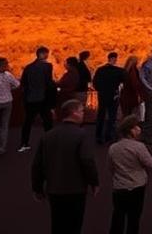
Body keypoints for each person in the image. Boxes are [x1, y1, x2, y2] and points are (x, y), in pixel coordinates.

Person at [31, 99, 99, 234]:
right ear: (74, 113)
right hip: (76, 188)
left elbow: (37, 164)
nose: (83, 114)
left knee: (57, 224)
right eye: (81, 111)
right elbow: (87, 160)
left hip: (54, 188)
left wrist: (37, 187)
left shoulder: (48, 135)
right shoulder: (81, 134)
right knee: (74, 225)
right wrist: (94, 182)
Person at [107, 115, 152, 234]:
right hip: (137, 185)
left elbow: (110, 166)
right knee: (134, 217)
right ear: (131, 130)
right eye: (137, 126)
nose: (139, 129)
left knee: (118, 215)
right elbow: (150, 163)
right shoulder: (139, 147)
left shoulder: (113, 147)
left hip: (119, 186)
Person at [20, 46, 57, 152]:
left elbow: (23, 83)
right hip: (43, 99)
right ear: (43, 54)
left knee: (27, 122)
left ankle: (24, 143)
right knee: (47, 123)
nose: (47, 56)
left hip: (30, 99)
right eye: (46, 54)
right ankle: (49, 144)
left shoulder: (28, 67)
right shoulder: (47, 66)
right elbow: (49, 83)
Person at [93, 52, 124, 144]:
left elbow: (95, 83)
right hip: (113, 96)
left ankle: (98, 136)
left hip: (102, 95)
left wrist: (101, 90)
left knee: (101, 116)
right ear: (114, 59)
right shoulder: (118, 71)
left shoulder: (100, 70)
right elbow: (123, 80)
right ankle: (108, 136)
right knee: (112, 117)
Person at [120, 55, 143, 121]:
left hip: (125, 95)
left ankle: (124, 128)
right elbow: (135, 83)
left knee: (126, 114)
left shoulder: (124, 71)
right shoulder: (133, 70)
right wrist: (139, 93)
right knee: (132, 115)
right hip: (132, 95)